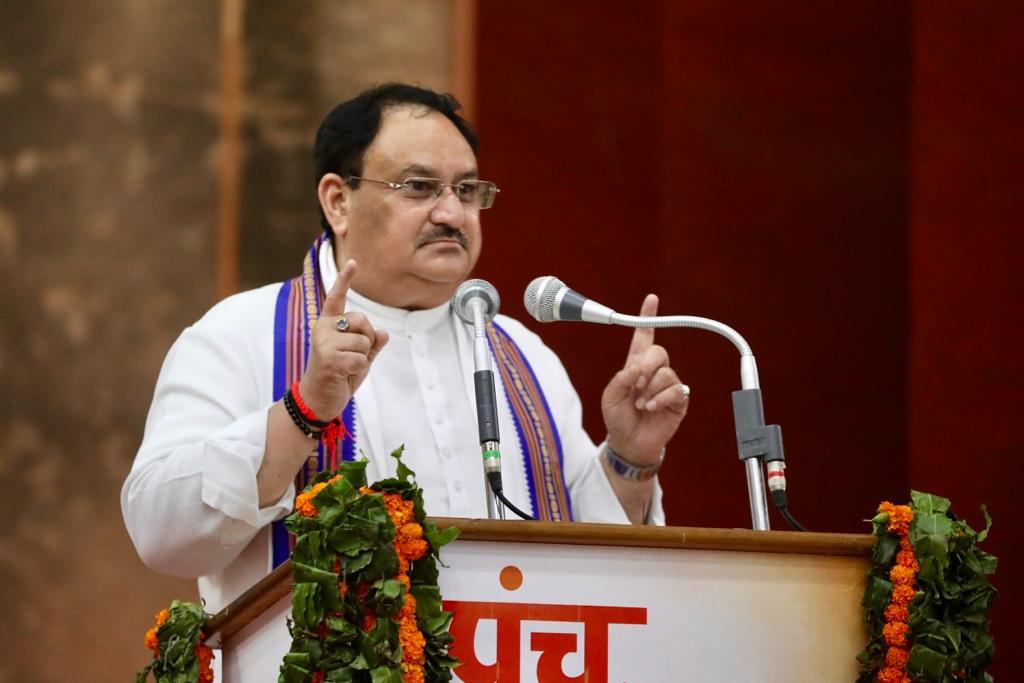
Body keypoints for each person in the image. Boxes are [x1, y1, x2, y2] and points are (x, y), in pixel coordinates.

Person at [122, 83, 690, 613]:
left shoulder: (523, 354)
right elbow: (161, 534)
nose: (450, 213)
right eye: (418, 187)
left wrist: (630, 459)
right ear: (338, 201)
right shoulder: (240, 334)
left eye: (466, 190)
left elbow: (594, 566)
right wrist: (303, 410)